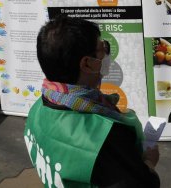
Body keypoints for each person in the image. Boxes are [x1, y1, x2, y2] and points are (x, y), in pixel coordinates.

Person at [24, 16, 160, 187]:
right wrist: (149, 162)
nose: (107, 54)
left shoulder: (38, 107)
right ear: (88, 64)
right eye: (104, 48)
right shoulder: (106, 137)